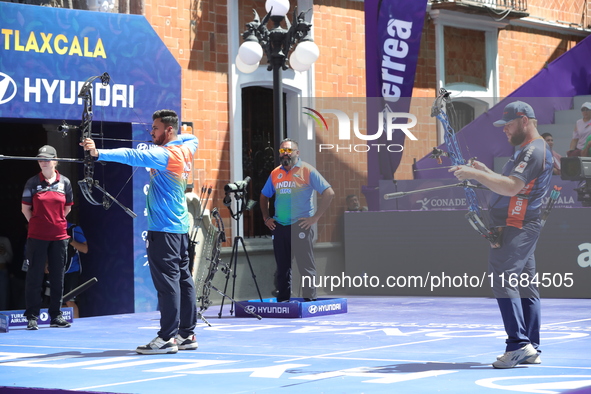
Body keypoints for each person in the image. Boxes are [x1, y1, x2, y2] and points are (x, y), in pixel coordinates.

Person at [82, 109, 198, 355]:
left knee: (168, 284)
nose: (151, 132)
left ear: (168, 130)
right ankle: (186, 334)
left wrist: (98, 151)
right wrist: (174, 137)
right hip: (179, 229)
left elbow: (130, 155)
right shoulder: (186, 147)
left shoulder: (163, 154)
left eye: (155, 129)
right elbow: (191, 138)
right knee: (184, 280)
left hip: (163, 229)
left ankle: (167, 337)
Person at [448, 101, 552, 369]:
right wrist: (484, 173)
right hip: (518, 224)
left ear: (524, 121)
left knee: (504, 279)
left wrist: (472, 173)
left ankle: (518, 345)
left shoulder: (533, 150)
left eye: (508, 124)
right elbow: (509, 183)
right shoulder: (528, 150)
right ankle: (530, 347)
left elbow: (511, 188)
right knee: (525, 283)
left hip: (517, 225)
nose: (504, 130)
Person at [260, 138, 334, 302]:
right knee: (282, 267)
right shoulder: (275, 173)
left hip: (300, 226)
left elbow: (329, 192)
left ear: (297, 153)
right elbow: (264, 195)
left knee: (306, 266)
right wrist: (266, 218)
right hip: (280, 226)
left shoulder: (307, 170)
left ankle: (309, 300)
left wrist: (315, 218)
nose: (285, 154)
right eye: (282, 151)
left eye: (288, 150)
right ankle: (283, 299)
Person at [21, 145, 74, 330]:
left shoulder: (65, 182)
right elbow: (25, 209)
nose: (43, 162)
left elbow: (67, 207)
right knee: (34, 276)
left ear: (55, 161)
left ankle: (56, 316)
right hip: (37, 236)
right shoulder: (32, 182)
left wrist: (56, 222)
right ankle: (32, 316)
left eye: (47, 159)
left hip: (59, 236)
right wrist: (38, 223)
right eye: (40, 159)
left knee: (58, 276)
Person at [63, 223, 88, 318]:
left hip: (71, 270)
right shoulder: (50, 227)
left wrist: (70, 240)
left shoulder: (74, 228)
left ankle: (76, 326)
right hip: (56, 271)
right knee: (56, 301)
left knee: (69, 300)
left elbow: (85, 249)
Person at [0, 236, 13, 310]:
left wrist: (4, 253)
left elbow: (11, 259)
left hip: (2, 271)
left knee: (3, 298)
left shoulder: (4, 240)